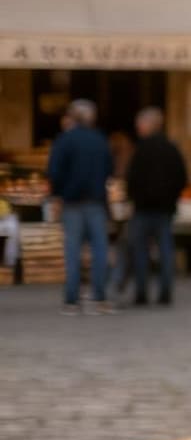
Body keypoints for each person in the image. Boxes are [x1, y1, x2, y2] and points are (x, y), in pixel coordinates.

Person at [47, 100, 114, 316]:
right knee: (99, 252)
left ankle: (72, 301)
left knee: (73, 252)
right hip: (95, 202)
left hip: (72, 203)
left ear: (73, 116)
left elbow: (54, 171)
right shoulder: (100, 140)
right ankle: (99, 298)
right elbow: (109, 169)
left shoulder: (65, 140)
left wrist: (58, 194)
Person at [121, 107, 189, 307]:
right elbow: (182, 177)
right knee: (165, 251)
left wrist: (133, 197)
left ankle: (141, 292)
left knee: (140, 251)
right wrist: (172, 197)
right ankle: (165, 292)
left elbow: (131, 178)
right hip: (165, 209)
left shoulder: (140, 150)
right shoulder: (171, 148)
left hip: (143, 209)